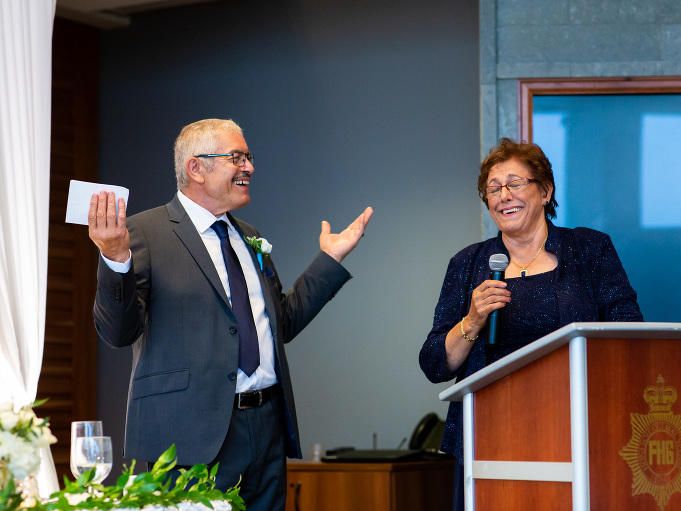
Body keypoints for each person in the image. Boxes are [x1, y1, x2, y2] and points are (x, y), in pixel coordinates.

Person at [89, 118, 373, 511]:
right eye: (236, 157)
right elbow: (118, 333)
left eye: (249, 157)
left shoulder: (248, 235)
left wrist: (329, 260)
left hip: (267, 430)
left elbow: (282, 323)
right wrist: (114, 259)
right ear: (196, 168)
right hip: (189, 439)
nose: (249, 167)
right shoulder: (144, 233)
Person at [419, 137, 642, 511]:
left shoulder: (589, 249)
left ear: (545, 191)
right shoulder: (467, 264)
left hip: (576, 426)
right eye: (493, 189)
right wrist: (471, 321)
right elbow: (434, 364)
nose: (503, 195)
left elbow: (629, 332)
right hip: (490, 432)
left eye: (515, 183)